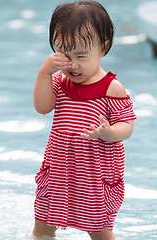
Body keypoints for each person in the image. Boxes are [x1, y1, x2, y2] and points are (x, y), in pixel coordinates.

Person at [32, 1, 137, 240]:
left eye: (81, 55)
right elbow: (42, 108)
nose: (73, 64)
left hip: (94, 176)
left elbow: (127, 126)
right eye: (64, 55)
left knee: (100, 231)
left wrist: (108, 132)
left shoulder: (112, 88)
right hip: (60, 170)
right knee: (43, 229)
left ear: (103, 48)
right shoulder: (58, 81)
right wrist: (44, 72)